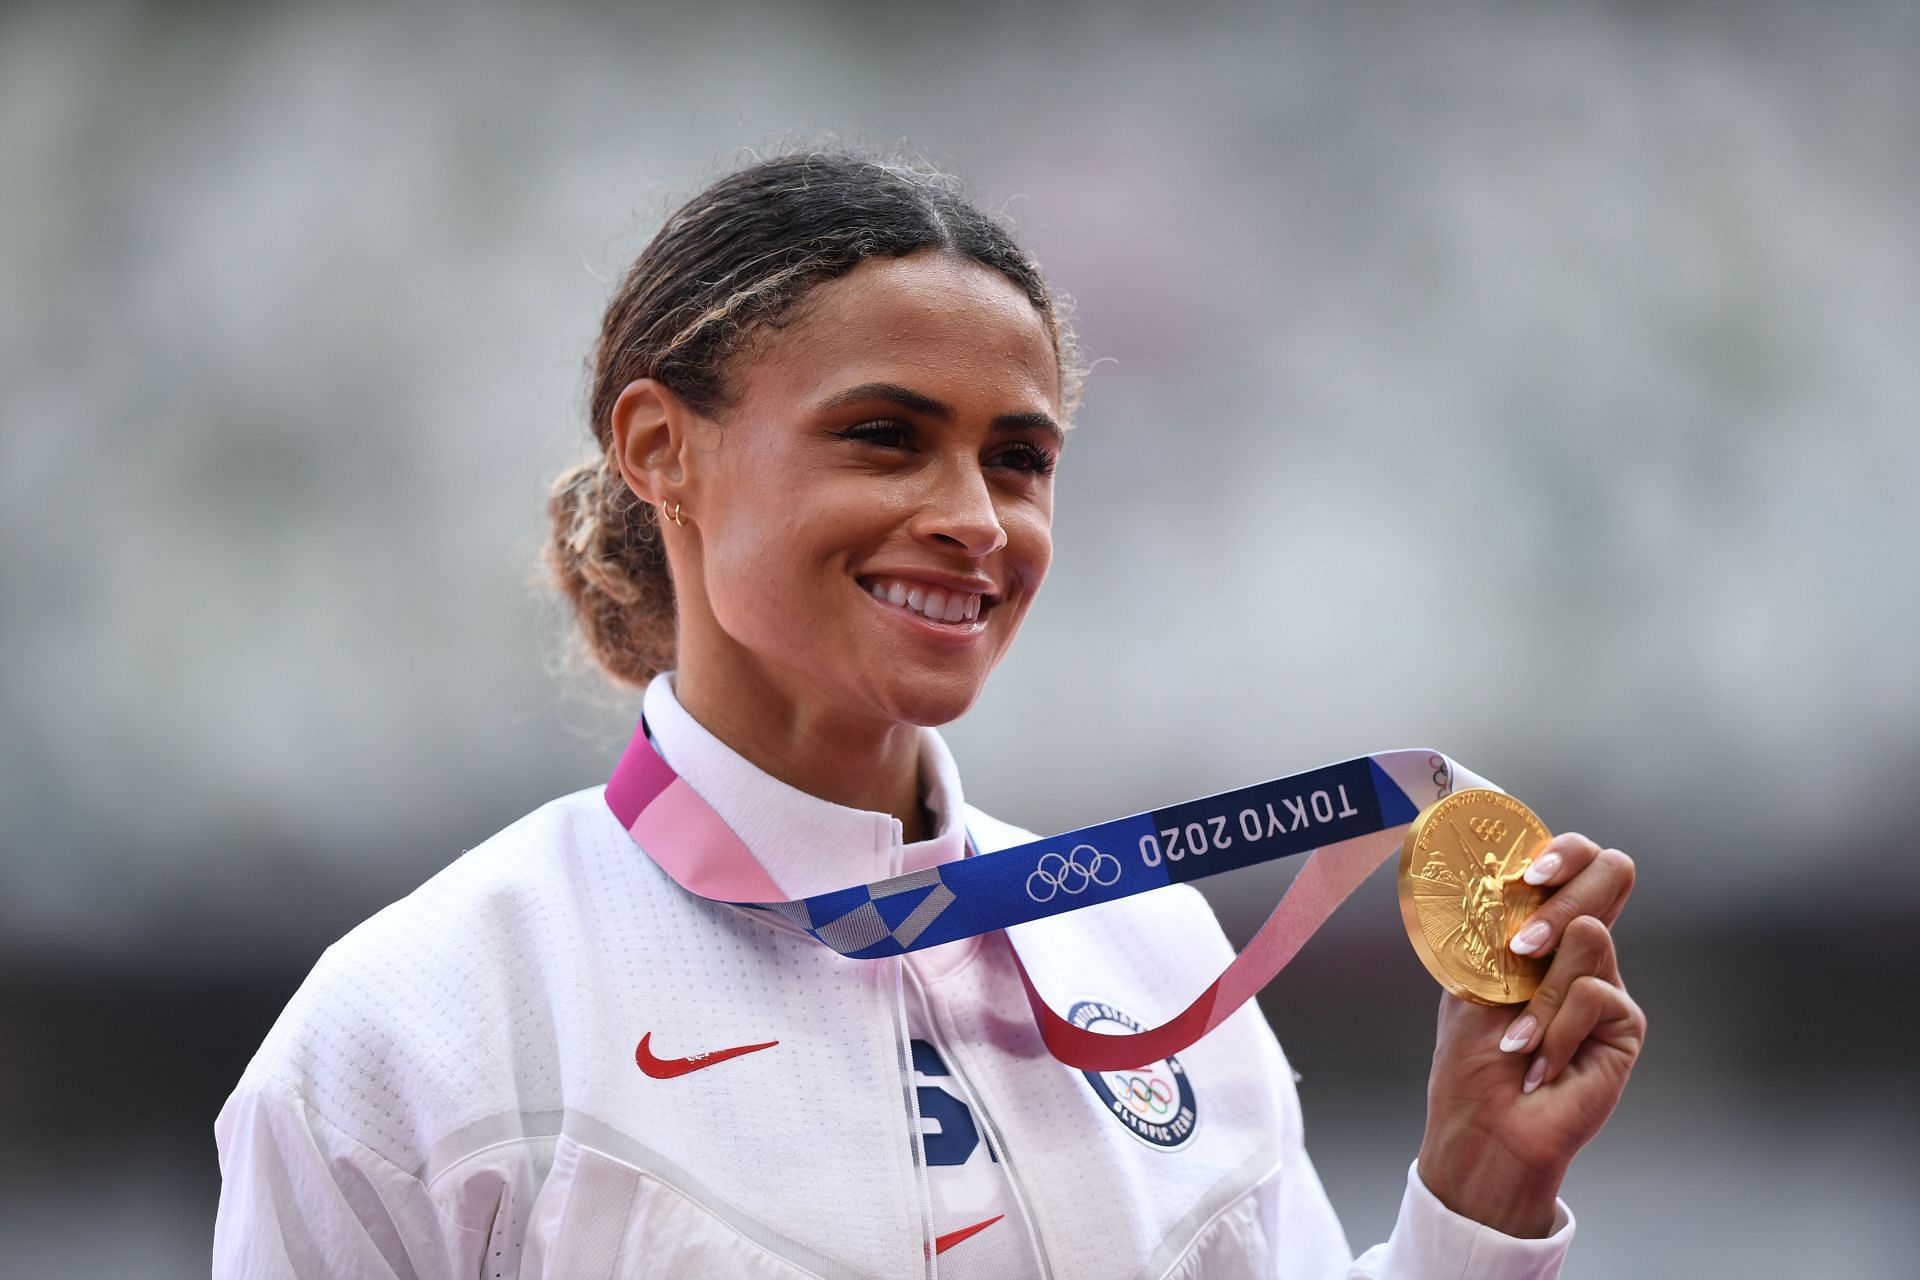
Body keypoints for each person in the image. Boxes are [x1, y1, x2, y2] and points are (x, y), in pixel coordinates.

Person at [213, 150, 1645, 1278]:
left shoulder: (1148, 952)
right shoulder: (424, 1023)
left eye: (1018, 461)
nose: (973, 520)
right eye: (885, 437)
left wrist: (1479, 1200)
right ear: (662, 450)